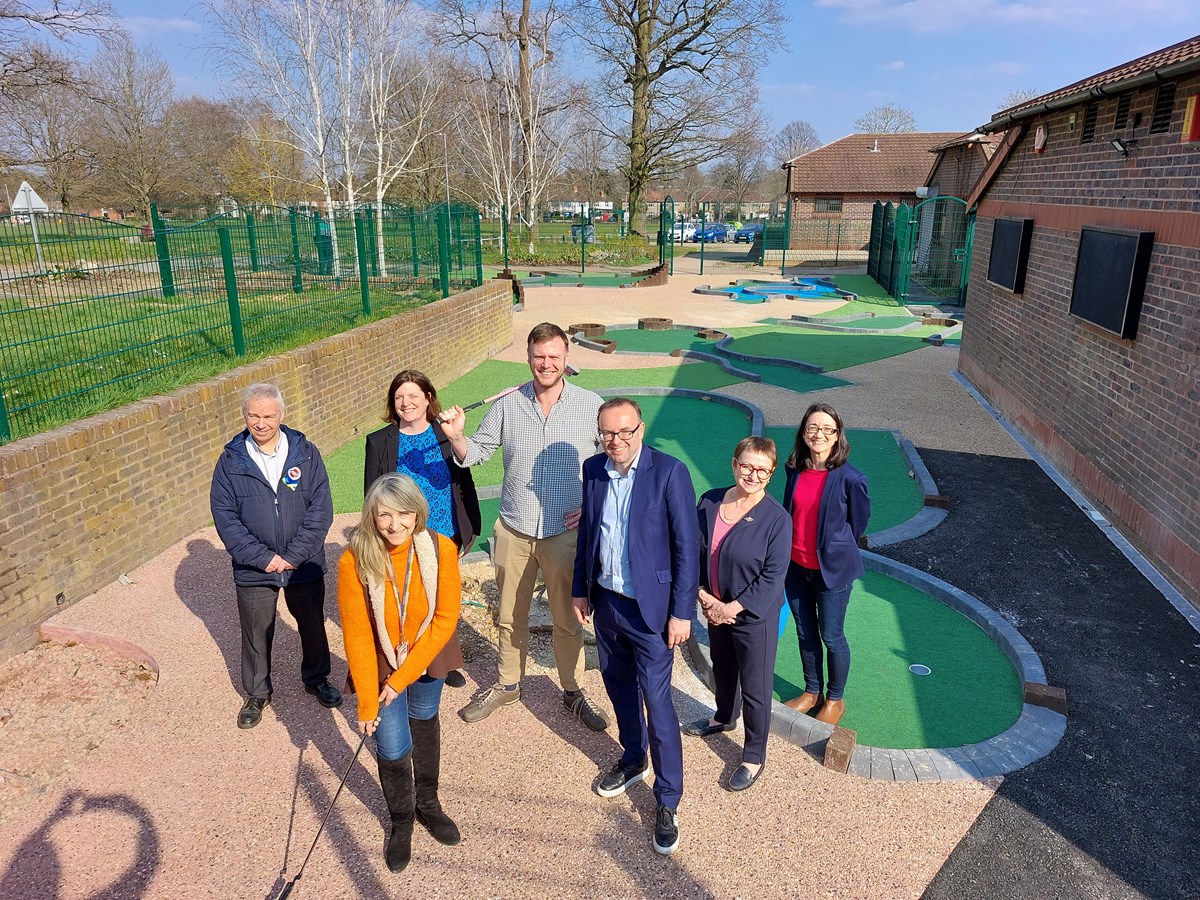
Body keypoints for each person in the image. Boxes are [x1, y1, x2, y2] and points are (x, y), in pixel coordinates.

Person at [439, 322, 609, 733]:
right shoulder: (507, 405)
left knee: (568, 618)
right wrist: (458, 436)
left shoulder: (591, 406)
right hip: (514, 528)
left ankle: (572, 690)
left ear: (567, 360)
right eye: (539, 356)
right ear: (529, 358)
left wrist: (591, 509)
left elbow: (614, 464)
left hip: (565, 533)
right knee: (508, 615)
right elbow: (475, 454)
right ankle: (507, 684)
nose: (546, 364)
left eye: (554, 356)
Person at [571, 398, 699, 856]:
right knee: (619, 687)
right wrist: (579, 589)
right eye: (608, 433)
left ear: (640, 430)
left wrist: (682, 612)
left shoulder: (669, 472)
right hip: (606, 602)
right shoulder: (593, 469)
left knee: (657, 700)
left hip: (653, 612)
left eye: (625, 432)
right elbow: (588, 534)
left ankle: (668, 799)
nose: (616, 441)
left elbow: (688, 547)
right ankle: (632, 757)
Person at [337, 473, 463, 872]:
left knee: (424, 720)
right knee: (391, 746)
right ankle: (402, 820)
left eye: (404, 513)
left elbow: (445, 619)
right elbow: (357, 638)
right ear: (371, 515)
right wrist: (367, 702)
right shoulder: (353, 560)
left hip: (427, 654)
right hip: (381, 662)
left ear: (417, 513)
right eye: (385, 515)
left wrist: (401, 678)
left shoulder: (441, 549)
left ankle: (428, 803)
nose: (395, 524)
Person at [210, 383, 341, 730]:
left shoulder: (306, 454)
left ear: (281, 415)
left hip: (304, 564)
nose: (261, 422)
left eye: (268, 415)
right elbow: (225, 517)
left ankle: (316, 678)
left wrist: (295, 555)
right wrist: (263, 558)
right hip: (255, 568)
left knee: (312, 624)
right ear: (245, 415)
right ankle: (257, 693)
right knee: (255, 631)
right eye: (254, 415)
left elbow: (321, 510)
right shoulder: (229, 462)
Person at [686, 436, 792, 792]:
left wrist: (730, 608)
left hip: (752, 617)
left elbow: (773, 577)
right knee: (723, 666)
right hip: (713, 607)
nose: (752, 474)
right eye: (746, 466)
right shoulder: (710, 501)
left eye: (762, 470)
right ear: (734, 464)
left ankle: (754, 754)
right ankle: (723, 717)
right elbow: (694, 553)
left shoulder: (777, 520)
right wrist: (704, 597)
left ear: (771, 474)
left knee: (757, 687)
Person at [365, 369, 481, 689]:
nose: (406, 402)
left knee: (443, 596)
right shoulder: (379, 441)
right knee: (411, 595)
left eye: (414, 396)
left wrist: (457, 435)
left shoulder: (444, 434)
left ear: (428, 398)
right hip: (402, 531)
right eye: (400, 397)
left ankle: (445, 662)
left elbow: (466, 468)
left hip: (444, 527)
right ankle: (409, 658)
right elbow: (372, 491)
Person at [781, 403, 871, 726]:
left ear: (837, 436)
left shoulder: (851, 478)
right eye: (812, 428)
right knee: (805, 633)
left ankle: (835, 698)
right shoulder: (794, 469)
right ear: (804, 433)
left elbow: (857, 523)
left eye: (826, 429)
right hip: (795, 567)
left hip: (832, 571)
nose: (819, 434)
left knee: (831, 635)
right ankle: (812, 691)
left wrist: (834, 548)